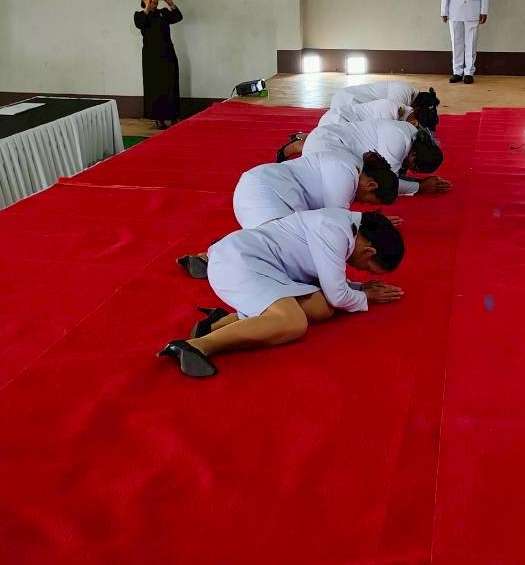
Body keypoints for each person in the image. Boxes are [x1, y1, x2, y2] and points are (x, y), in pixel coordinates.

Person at [158, 209, 405, 378]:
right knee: (293, 323)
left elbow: (330, 282)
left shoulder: (345, 225)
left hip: (263, 264)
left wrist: (359, 288)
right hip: (238, 260)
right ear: (369, 252)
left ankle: (219, 323)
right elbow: (338, 294)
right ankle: (197, 346)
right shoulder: (334, 231)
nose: (360, 270)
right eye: (366, 267)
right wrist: (364, 296)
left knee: (320, 307)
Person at [175, 151, 401, 278]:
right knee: (285, 255)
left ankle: (218, 251)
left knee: (285, 247)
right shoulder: (346, 176)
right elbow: (336, 220)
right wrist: (371, 224)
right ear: (371, 185)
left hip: (270, 190)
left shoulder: (349, 164)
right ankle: (212, 255)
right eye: (368, 201)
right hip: (266, 192)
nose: (361, 203)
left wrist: (371, 223)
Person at [296, 120, 450, 195]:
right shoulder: (397, 141)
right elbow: (389, 181)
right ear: (414, 154)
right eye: (414, 167)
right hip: (325, 146)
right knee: (356, 184)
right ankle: (297, 146)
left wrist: (418, 182)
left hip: (328, 139)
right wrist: (421, 187)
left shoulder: (412, 136)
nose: (410, 169)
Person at [134, 0, 184, 128]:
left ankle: (173, 115)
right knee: (154, 87)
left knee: (171, 84)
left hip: (168, 54)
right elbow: (140, 24)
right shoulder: (140, 15)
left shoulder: (163, 13)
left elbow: (178, 17)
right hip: (151, 57)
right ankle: (158, 117)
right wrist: (147, 7)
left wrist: (170, 3)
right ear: (143, 0)